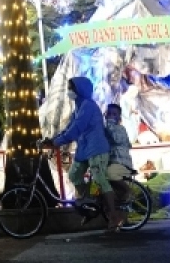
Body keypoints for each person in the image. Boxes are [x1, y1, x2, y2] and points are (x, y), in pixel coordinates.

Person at [44, 77, 126, 232]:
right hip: (84, 149)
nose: (69, 91)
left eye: (72, 88)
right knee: (74, 175)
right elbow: (69, 128)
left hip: (97, 149)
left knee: (100, 180)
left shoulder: (88, 106)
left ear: (80, 89)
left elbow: (76, 129)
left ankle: (114, 216)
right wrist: (53, 140)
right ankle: (90, 205)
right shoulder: (78, 108)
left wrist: (56, 142)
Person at [104, 104, 135, 204]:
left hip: (121, 163)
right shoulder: (106, 129)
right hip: (111, 162)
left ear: (119, 117)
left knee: (109, 173)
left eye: (114, 114)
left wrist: (109, 124)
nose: (111, 116)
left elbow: (117, 139)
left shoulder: (120, 129)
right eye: (109, 113)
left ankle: (129, 191)